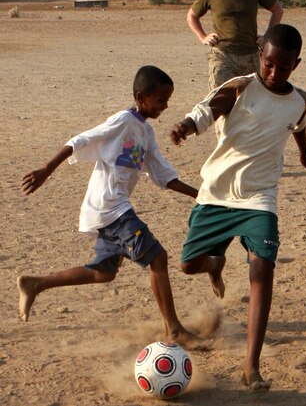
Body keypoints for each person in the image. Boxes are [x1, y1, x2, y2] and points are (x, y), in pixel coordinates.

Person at [169, 24, 306, 390]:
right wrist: (187, 126)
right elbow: (207, 110)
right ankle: (214, 262)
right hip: (218, 193)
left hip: (259, 198)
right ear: (260, 57)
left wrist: (305, 156)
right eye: (269, 64)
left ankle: (250, 367)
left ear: (295, 64)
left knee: (262, 272)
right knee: (188, 265)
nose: (273, 72)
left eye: (283, 67)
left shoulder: (300, 99)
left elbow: (297, 125)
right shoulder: (240, 87)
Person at [17, 66, 200, 346]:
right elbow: (81, 140)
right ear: (141, 98)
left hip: (110, 210)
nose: (165, 106)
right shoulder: (123, 121)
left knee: (103, 273)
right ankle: (173, 329)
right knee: (158, 258)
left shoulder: (146, 132)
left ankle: (36, 283)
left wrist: (199, 195)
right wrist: (46, 169)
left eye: (167, 100)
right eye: (160, 100)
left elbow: (162, 173)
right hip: (111, 207)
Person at [186, 0, 284, 90]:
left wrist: (267, 36)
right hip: (223, 55)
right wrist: (202, 36)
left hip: (251, 54)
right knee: (220, 100)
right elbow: (192, 16)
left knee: (253, 102)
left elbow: (277, 10)